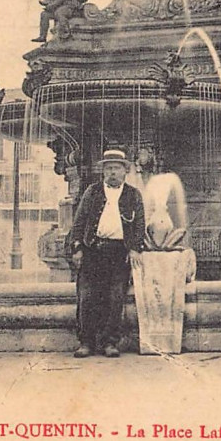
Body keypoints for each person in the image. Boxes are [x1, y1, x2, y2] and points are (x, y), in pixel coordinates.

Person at [69, 149, 146, 358]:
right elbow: (79, 221)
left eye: (116, 168)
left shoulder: (133, 195)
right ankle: (86, 342)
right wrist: (77, 248)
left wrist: (134, 248)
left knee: (115, 297)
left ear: (125, 171)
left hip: (119, 253)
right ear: (103, 171)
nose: (112, 172)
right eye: (108, 168)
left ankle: (110, 342)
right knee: (86, 296)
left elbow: (140, 225)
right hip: (93, 250)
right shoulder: (92, 192)